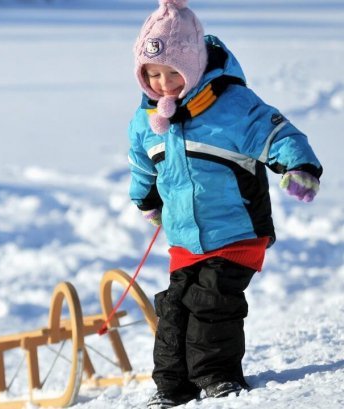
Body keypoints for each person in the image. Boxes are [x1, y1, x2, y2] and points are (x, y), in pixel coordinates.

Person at [126, 0, 323, 408]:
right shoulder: (146, 120)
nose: (163, 84)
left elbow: (277, 134)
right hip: (185, 240)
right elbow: (142, 164)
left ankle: (218, 377)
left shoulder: (231, 107)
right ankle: (172, 388)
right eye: (153, 76)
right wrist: (146, 199)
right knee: (173, 310)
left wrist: (299, 165)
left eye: (172, 74)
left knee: (211, 301)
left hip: (236, 231)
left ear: (194, 64)